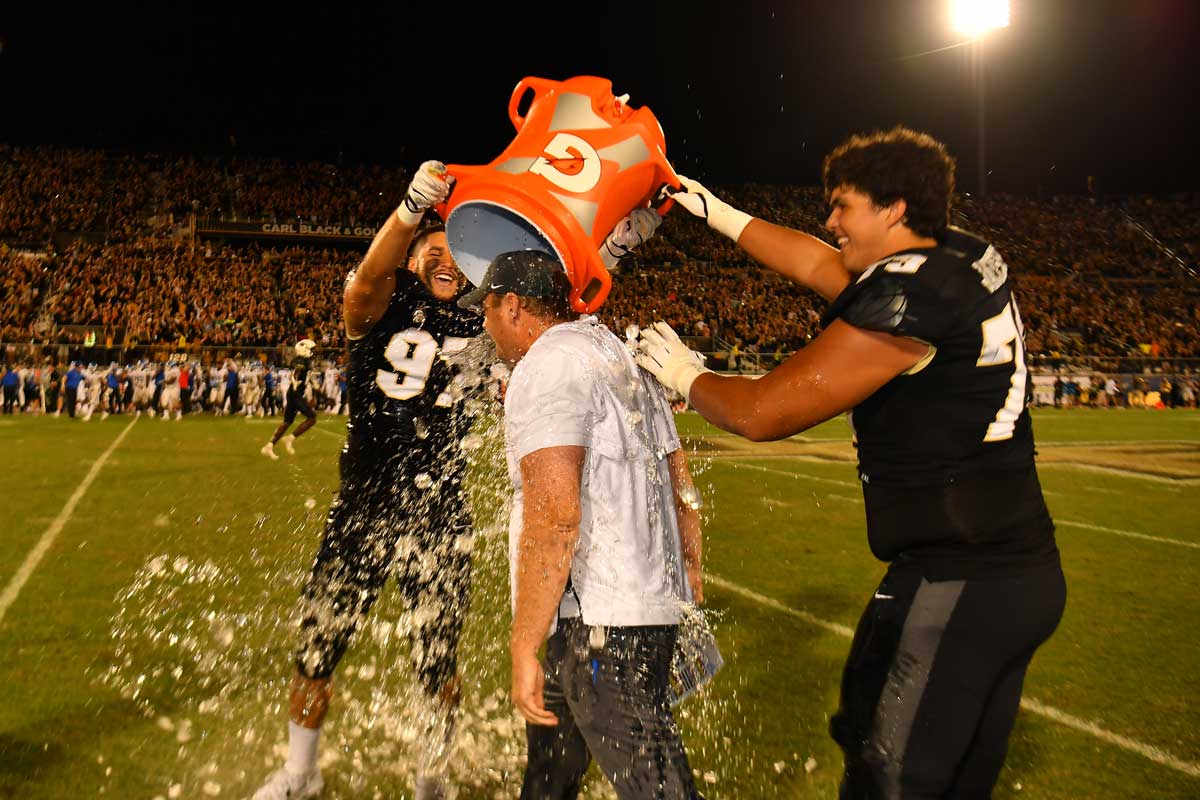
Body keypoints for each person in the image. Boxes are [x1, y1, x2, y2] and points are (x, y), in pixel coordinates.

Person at [637, 126, 1066, 799]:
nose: (830, 220)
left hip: (962, 578)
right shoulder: (958, 253)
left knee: (886, 772)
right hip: (1012, 570)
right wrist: (716, 211)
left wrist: (688, 374)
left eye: (844, 206)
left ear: (894, 209)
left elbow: (761, 412)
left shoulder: (913, 297)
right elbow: (817, 265)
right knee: (946, 775)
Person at [253, 161, 483, 800]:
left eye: (455, 253)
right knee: (318, 647)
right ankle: (301, 772)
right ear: (412, 262)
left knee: (438, 661)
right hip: (365, 505)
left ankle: (432, 776)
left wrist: (607, 247)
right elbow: (358, 291)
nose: (447, 262)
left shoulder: (484, 313)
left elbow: (548, 306)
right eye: (433, 252)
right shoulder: (385, 304)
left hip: (440, 509)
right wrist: (412, 209)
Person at [463, 248, 704, 800]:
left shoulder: (546, 365)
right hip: (634, 613)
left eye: (489, 307)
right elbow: (680, 475)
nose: (485, 322)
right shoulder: (614, 348)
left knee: (657, 788)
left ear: (515, 305)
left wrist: (523, 644)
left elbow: (554, 518)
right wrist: (688, 563)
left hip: (597, 628)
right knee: (549, 777)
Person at [261, 343, 318, 459]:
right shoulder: (301, 360)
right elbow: (297, 370)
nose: (313, 352)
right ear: (304, 350)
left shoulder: (305, 361)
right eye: (311, 349)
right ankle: (289, 438)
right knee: (312, 418)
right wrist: (295, 379)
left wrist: (312, 384)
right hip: (295, 394)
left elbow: (303, 373)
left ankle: (269, 446)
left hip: (294, 393)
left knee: (287, 422)